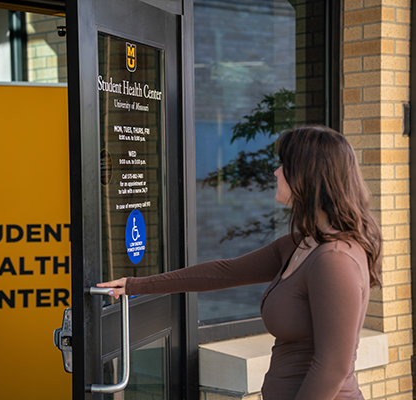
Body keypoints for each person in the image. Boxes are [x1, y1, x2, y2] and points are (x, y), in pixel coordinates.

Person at [98, 125, 382, 400]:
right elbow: (224, 273)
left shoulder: (334, 260)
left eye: (284, 165)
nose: (276, 172)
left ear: (308, 175)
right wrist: (136, 284)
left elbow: (333, 368)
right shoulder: (302, 243)